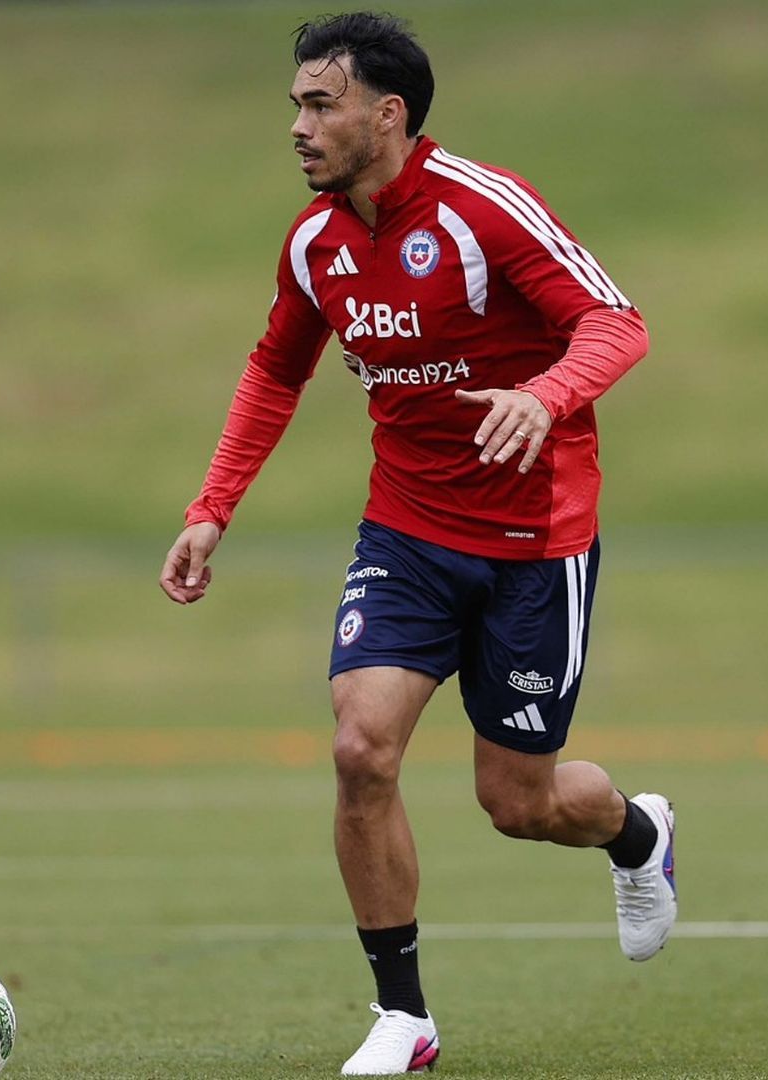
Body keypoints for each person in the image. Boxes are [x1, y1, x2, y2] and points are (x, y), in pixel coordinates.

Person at [158, 13, 674, 1074]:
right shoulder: (316, 244)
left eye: (320, 104)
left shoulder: (487, 208)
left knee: (517, 804)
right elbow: (275, 370)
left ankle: (637, 835)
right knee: (360, 747)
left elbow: (617, 323)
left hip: (537, 539)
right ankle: (404, 1015)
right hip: (408, 532)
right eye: (296, 104)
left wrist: (546, 393)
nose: (298, 126)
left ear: (386, 115)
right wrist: (213, 506)